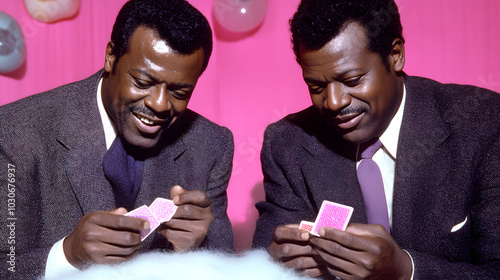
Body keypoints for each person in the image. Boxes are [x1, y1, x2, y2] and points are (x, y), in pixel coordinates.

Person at [252, 0, 500, 279]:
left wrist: (407, 270)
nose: (334, 102)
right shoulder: (288, 143)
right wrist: (278, 264)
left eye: (353, 79)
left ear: (395, 55)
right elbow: (265, 261)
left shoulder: (483, 122)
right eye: (316, 86)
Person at [0, 0, 234, 279]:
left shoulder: (211, 145)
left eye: (179, 92)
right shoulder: (16, 133)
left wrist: (199, 247)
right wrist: (67, 255)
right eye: (143, 82)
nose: (160, 104)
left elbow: (228, 268)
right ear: (111, 56)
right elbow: (7, 264)